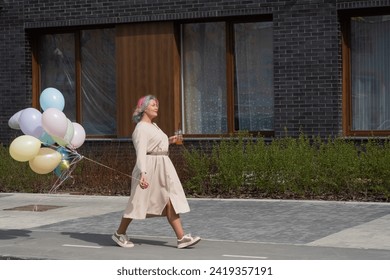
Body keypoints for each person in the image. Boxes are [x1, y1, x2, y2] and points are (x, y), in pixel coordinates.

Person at [112, 95, 201, 249]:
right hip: (149, 167)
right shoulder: (141, 128)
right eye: (153, 105)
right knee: (137, 202)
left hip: (162, 166)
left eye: (156, 105)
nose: (156, 107)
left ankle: (181, 238)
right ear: (144, 108)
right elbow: (141, 152)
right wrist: (143, 173)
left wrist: (170, 141)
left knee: (169, 200)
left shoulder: (154, 126)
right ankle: (119, 233)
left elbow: (156, 144)